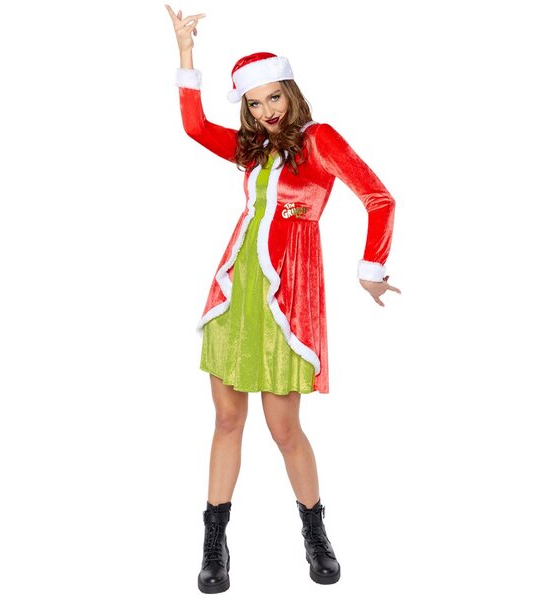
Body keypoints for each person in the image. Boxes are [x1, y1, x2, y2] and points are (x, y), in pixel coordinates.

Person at [165, 6, 401, 594]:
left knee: (284, 428)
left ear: (290, 93)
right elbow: (194, 127)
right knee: (227, 418)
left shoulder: (319, 140)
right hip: (235, 286)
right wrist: (186, 53)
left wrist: (371, 268)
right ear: (245, 108)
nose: (266, 111)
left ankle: (315, 533)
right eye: (253, 103)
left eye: (274, 97)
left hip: (288, 293)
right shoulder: (251, 149)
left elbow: (378, 198)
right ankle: (214, 543)